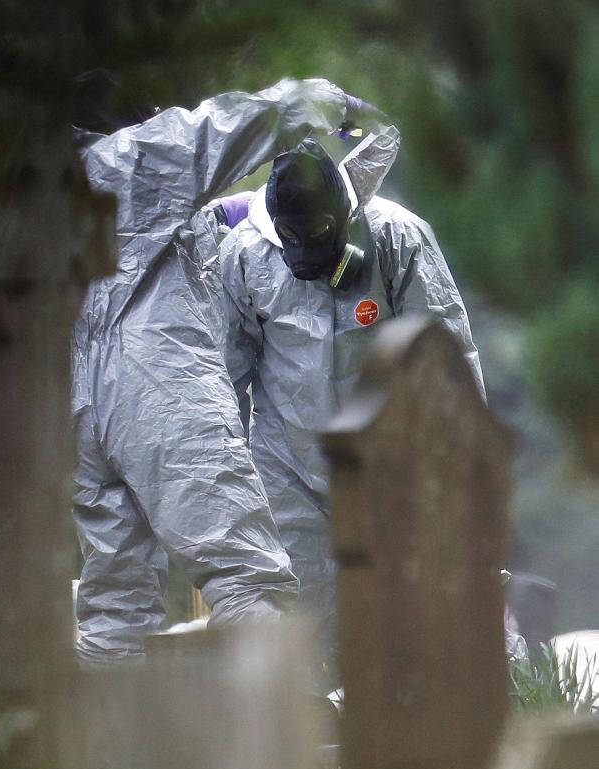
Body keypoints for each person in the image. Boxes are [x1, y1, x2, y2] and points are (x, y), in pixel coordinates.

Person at [72, 78, 374, 661]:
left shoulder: (46, 193)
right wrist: (325, 101)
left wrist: (235, 216)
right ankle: (271, 750)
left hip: (74, 409)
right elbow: (230, 126)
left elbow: (156, 238)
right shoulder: (134, 158)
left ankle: (103, 753)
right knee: (250, 579)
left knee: (114, 609)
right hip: (154, 389)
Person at [219, 131, 485, 683]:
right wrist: (226, 480)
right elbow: (226, 373)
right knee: (303, 620)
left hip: (394, 465)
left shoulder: (396, 236)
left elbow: (446, 355)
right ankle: (322, 752)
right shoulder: (245, 254)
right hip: (290, 466)